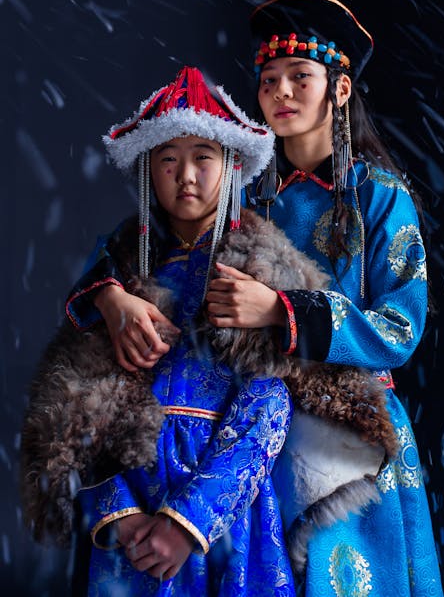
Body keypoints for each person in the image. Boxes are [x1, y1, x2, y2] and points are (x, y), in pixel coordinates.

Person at [57, 0, 444, 596]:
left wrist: (282, 311)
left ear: (340, 91)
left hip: (343, 428)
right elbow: (140, 242)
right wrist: (112, 298)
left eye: (300, 78)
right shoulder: (242, 187)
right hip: (245, 430)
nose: (282, 93)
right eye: (269, 80)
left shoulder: (379, 196)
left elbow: (399, 327)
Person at [21, 65, 297, 596]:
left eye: (203, 158)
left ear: (233, 165)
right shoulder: (119, 273)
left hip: (224, 510)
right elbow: (82, 401)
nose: (186, 176)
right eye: (168, 160)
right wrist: (120, 512)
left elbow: (271, 399)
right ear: (148, 171)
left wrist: (187, 521)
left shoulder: (264, 274)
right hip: (133, 487)